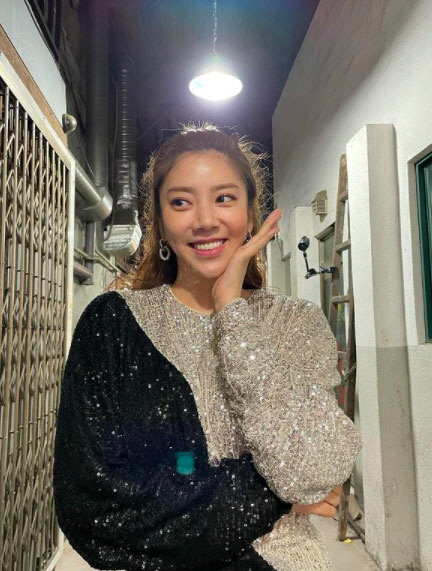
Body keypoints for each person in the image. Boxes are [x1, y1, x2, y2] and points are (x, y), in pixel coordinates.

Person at [53, 123, 362, 571]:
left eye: (224, 198)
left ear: (251, 214)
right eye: (181, 202)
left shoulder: (295, 322)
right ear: (160, 223)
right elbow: (92, 506)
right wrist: (274, 496)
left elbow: (314, 469)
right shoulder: (112, 324)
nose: (204, 220)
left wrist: (231, 310)